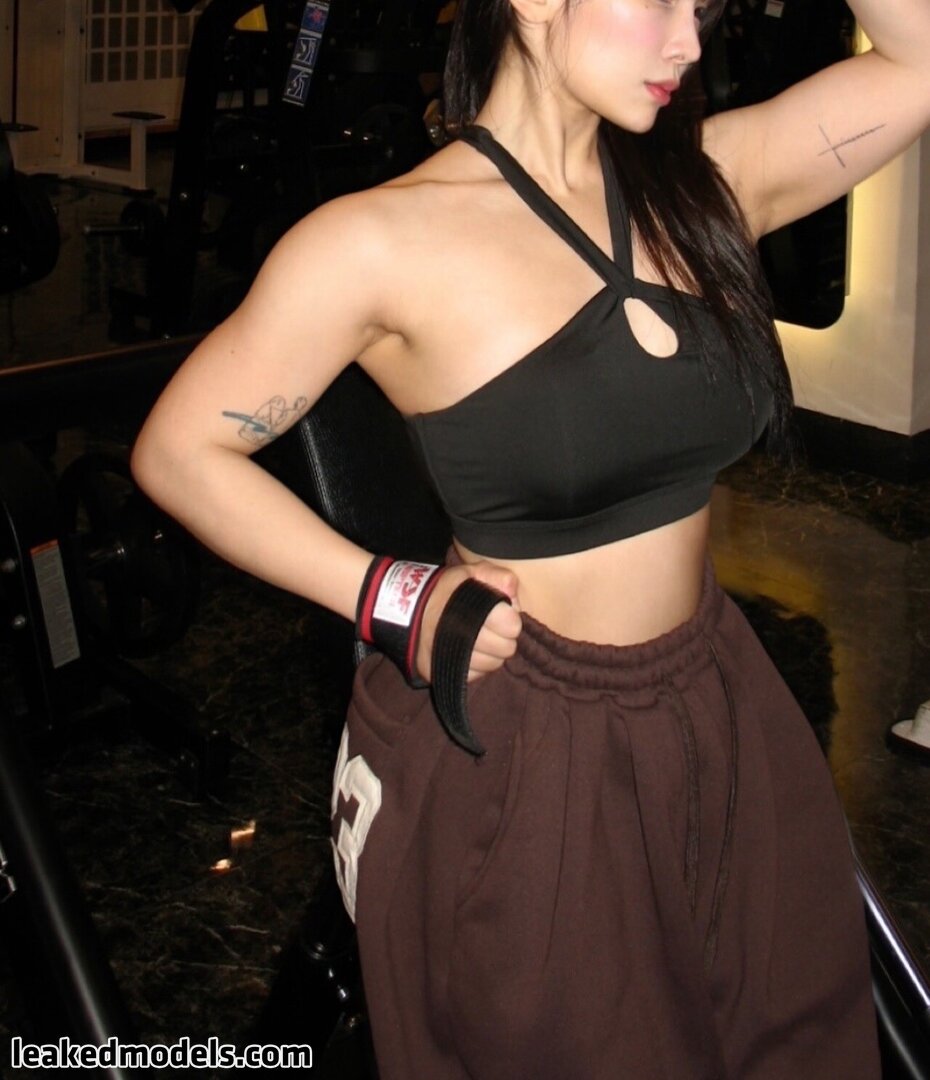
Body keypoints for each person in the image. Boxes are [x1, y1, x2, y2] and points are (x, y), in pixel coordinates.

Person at [132, 0, 930, 1075]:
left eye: (701, 8)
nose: (690, 43)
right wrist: (391, 596)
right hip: (532, 736)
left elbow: (920, 60)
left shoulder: (707, 182)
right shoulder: (379, 242)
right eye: (659, 1)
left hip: (719, 695)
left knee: (795, 1037)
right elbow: (180, 451)